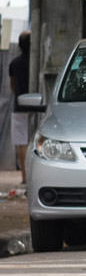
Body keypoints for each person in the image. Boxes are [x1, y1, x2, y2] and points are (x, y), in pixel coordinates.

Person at [7, 30, 30, 185]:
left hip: (19, 106)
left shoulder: (14, 63)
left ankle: (24, 177)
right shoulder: (37, 61)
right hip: (39, 107)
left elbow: (12, 87)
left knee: (22, 143)